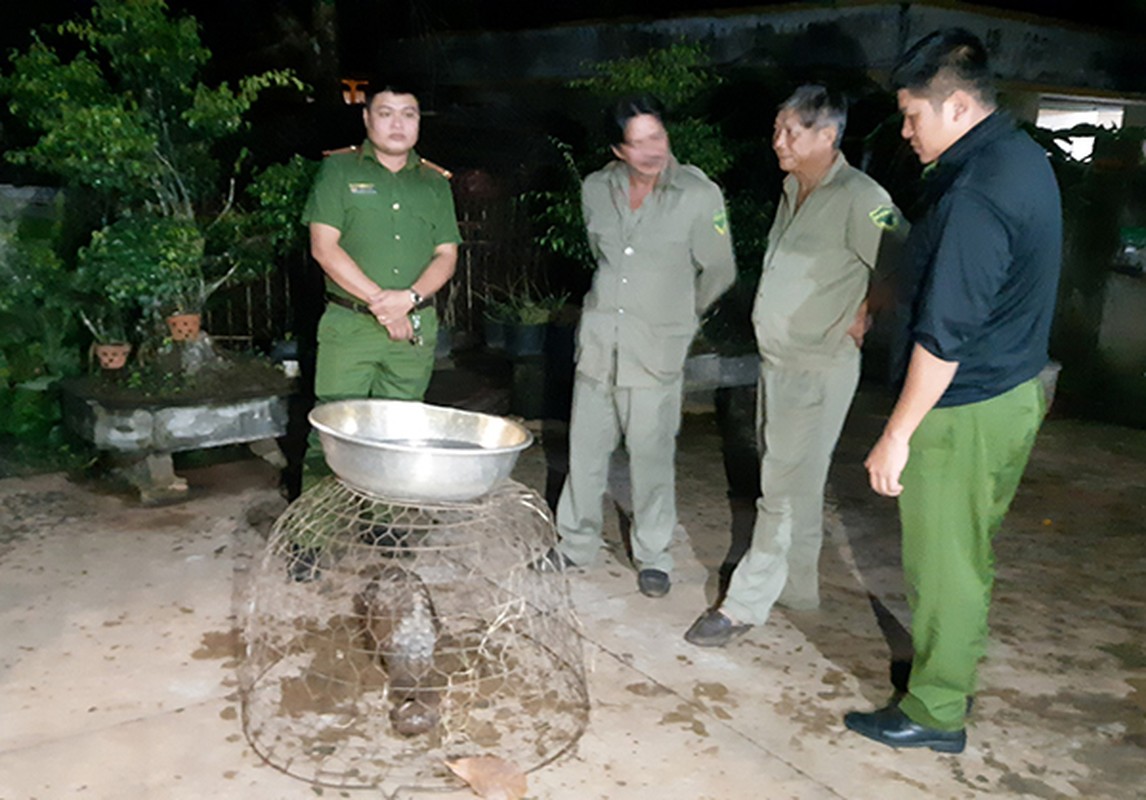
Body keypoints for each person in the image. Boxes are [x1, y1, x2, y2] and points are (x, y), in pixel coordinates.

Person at [843, 28, 1062, 754]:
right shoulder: (1020, 159)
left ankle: (936, 712)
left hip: (962, 405)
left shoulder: (979, 190)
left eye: (913, 116)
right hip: (1011, 391)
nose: (905, 132)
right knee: (967, 552)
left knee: (943, 562)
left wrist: (897, 433)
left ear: (959, 105)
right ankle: (946, 672)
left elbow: (946, 333)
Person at [684, 85, 904, 647]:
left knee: (780, 486)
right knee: (795, 479)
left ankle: (742, 606)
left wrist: (865, 309)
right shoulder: (792, 188)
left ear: (827, 135)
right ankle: (799, 588)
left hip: (820, 365)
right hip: (780, 363)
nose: (777, 140)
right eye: (777, 128)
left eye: (791, 131)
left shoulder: (861, 196)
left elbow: (904, 262)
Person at [534, 94, 736, 598]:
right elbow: (604, 255)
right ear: (617, 149)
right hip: (601, 343)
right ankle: (575, 542)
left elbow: (720, 270)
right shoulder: (595, 189)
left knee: (650, 458)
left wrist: (683, 318)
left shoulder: (698, 193)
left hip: (656, 350)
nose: (651, 150)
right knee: (583, 453)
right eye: (638, 141)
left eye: (657, 137)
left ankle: (653, 556)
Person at [300, 80, 461, 493]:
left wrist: (407, 301)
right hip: (349, 326)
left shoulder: (434, 182)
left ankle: (386, 526)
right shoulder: (338, 171)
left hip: (414, 330)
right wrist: (383, 305)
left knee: (401, 432)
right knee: (333, 430)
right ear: (367, 118)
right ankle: (316, 536)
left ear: (419, 123)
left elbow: (447, 255)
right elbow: (324, 247)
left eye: (409, 114)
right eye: (386, 113)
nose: (397, 124)